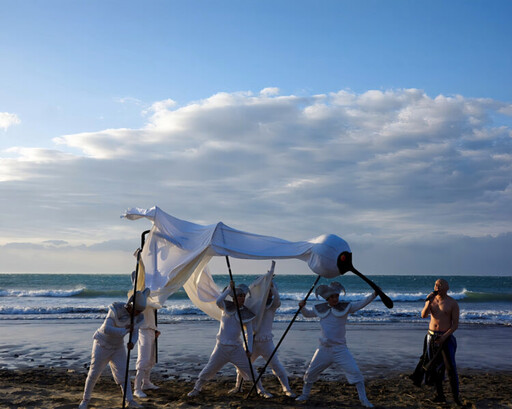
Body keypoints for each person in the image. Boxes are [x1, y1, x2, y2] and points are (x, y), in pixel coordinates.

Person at [297, 281, 376, 407]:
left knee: (355, 373)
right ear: (327, 298)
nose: (335, 299)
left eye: (336, 296)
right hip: (323, 349)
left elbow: (360, 304)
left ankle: (364, 400)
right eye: (332, 297)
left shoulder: (345, 307)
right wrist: (302, 307)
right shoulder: (320, 309)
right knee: (310, 373)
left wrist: (374, 294)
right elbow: (307, 315)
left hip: (340, 350)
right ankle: (305, 395)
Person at [187, 282, 272, 398]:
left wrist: (249, 349)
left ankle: (260, 390)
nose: (242, 298)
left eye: (243, 296)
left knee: (251, 370)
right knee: (208, 370)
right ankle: (197, 388)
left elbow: (250, 334)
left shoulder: (246, 313)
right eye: (239, 296)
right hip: (221, 348)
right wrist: (228, 289)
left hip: (236, 349)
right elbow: (218, 301)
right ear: (234, 297)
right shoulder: (225, 307)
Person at [78, 288, 150, 409]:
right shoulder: (116, 309)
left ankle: (129, 400)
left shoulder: (138, 317)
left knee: (123, 374)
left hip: (118, 347)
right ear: (131, 305)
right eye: (137, 310)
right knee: (94, 373)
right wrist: (126, 329)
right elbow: (107, 329)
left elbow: (135, 331)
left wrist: (132, 341)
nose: (138, 313)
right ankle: (85, 400)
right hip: (102, 344)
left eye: (139, 311)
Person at [229, 281, 295, 397]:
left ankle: (287, 388)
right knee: (243, 366)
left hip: (266, 342)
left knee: (276, 366)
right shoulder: (253, 304)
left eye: (271, 292)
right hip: (252, 341)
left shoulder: (272, 305)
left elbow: (277, 300)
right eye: (267, 291)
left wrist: (272, 286)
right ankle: (238, 386)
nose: (269, 294)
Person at [411, 278, 461, 405]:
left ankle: (456, 398)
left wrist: (444, 337)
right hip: (431, 336)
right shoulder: (432, 300)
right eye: (435, 285)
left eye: (440, 285)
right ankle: (440, 395)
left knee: (450, 368)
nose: (437, 287)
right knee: (434, 368)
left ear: (447, 288)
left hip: (446, 338)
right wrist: (428, 302)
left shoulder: (452, 303)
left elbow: (455, 325)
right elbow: (423, 315)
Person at [133, 304, 161, 398]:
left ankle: (146, 382)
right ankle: (137, 388)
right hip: (143, 329)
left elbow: (150, 316)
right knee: (143, 358)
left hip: (151, 329)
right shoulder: (141, 299)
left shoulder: (151, 297)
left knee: (151, 358)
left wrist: (155, 329)